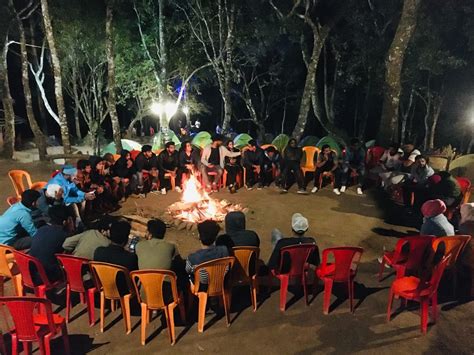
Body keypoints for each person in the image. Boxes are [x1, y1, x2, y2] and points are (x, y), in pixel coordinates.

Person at [29, 206, 72, 282]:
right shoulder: (64, 235)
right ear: (65, 222)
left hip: (31, 272)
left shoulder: (41, 229)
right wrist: (71, 229)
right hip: (46, 276)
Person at [185, 220, 229, 284]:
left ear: (199, 236)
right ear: (216, 237)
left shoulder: (193, 258)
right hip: (221, 285)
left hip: (202, 289)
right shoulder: (224, 250)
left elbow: (187, 270)